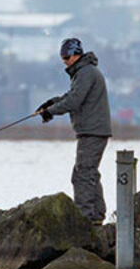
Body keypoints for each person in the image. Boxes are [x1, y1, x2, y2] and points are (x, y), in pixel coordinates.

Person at [36, 37, 112, 223]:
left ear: (75, 54)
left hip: (92, 130)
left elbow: (74, 101)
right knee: (90, 172)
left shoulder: (86, 72)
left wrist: (50, 112)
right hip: (93, 130)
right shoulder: (84, 72)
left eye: (66, 56)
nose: (64, 60)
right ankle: (96, 215)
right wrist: (51, 103)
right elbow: (71, 95)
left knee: (82, 174)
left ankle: (85, 218)